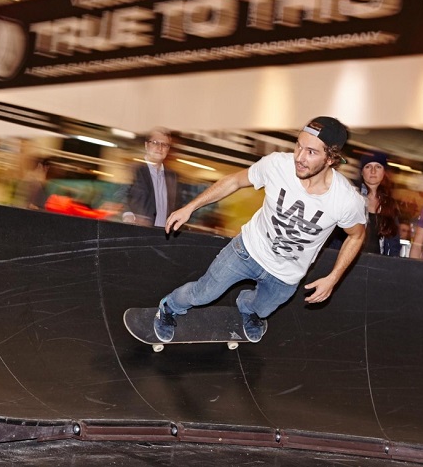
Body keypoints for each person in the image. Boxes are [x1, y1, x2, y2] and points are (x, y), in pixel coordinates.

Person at [154, 116, 367, 343]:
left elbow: (356, 236)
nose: (299, 157)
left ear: (331, 158)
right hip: (247, 250)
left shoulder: (345, 200)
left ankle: (247, 307)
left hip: (286, 274)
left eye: (311, 152)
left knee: (261, 310)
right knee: (203, 294)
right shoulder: (277, 165)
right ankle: (170, 305)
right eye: (298, 146)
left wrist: (333, 278)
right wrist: (191, 207)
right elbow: (235, 181)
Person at [121, 127, 179, 227]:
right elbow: (121, 194)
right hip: (139, 231)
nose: (160, 148)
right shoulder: (134, 169)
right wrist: (128, 215)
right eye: (155, 143)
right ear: (146, 145)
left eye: (164, 145)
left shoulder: (172, 176)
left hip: (163, 234)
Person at [358, 151, 401, 256]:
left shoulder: (389, 204)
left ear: (384, 172)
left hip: (378, 261)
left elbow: (394, 241)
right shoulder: (352, 197)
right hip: (352, 259)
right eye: (368, 166)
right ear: (362, 172)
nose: (373, 171)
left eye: (378, 167)